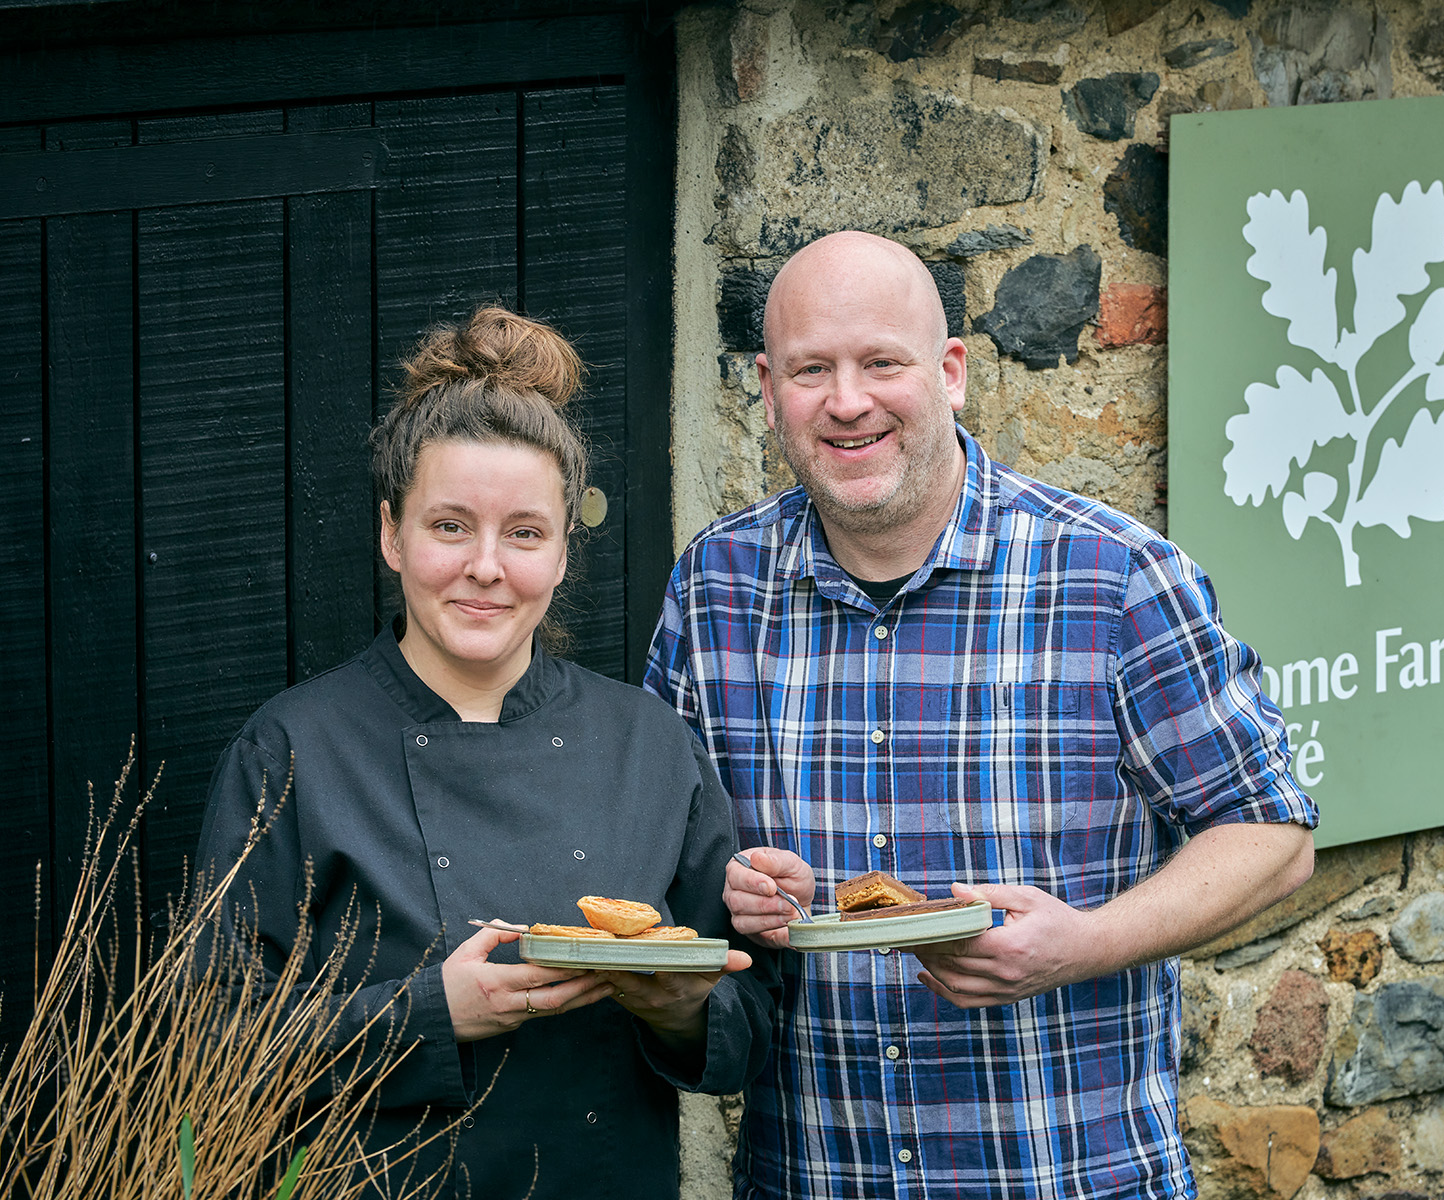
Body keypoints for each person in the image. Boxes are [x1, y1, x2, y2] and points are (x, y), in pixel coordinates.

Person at [643, 231, 1319, 1200]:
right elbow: (666, 873)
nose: (847, 401)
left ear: (950, 372)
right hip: (814, 1178)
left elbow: (1273, 835)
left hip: (1067, 1174)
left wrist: (1081, 944)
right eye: (811, 370)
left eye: (882, 362)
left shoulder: (1114, 579)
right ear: (766, 388)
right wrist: (732, 892)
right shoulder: (714, 589)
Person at [196, 306, 777, 1199]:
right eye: (450, 526)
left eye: (525, 533)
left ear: (561, 553)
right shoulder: (292, 750)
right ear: (392, 534)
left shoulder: (649, 743)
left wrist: (682, 1008)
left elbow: (745, 1033)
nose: (487, 568)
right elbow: (210, 1050)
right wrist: (430, 1013)